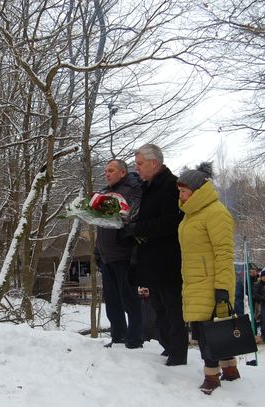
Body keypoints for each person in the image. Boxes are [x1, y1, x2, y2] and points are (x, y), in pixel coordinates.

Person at [121, 144, 188, 365]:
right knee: (158, 307)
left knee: (172, 307)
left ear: (154, 163)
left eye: (139, 164)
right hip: (151, 258)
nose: (136, 168)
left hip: (168, 258)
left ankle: (178, 353)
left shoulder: (171, 185)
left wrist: (138, 229)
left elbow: (170, 222)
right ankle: (168, 346)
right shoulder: (146, 186)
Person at [177, 162, 240, 395]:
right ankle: (231, 370)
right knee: (211, 329)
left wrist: (222, 287)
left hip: (212, 282)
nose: (181, 195)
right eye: (180, 191)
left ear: (197, 192)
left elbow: (224, 252)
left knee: (208, 333)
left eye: (184, 191)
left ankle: (212, 376)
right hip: (194, 281)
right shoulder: (190, 215)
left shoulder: (215, 213)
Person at [95, 159, 143, 349]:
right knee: (112, 300)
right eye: (106, 171)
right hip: (106, 254)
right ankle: (118, 336)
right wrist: (97, 252)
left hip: (124, 254)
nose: (107, 174)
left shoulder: (133, 189)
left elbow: (130, 217)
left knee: (129, 299)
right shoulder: (104, 192)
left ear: (122, 172)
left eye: (111, 170)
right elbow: (100, 226)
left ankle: (135, 338)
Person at [252, 269, 265, 340]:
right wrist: (263, 298)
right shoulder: (257, 284)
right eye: (263, 276)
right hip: (261, 305)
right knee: (263, 320)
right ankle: (263, 336)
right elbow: (255, 294)